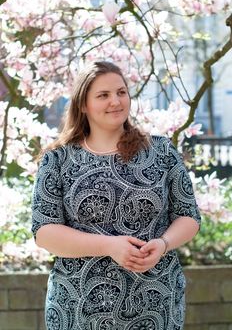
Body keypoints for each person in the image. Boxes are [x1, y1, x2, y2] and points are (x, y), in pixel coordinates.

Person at [31, 61, 201, 330]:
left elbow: (189, 216)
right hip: (78, 308)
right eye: (103, 95)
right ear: (83, 104)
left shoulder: (160, 151)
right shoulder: (57, 159)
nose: (116, 101)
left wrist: (163, 244)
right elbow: (45, 233)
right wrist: (109, 246)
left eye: (121, 92)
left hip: (156, 304)